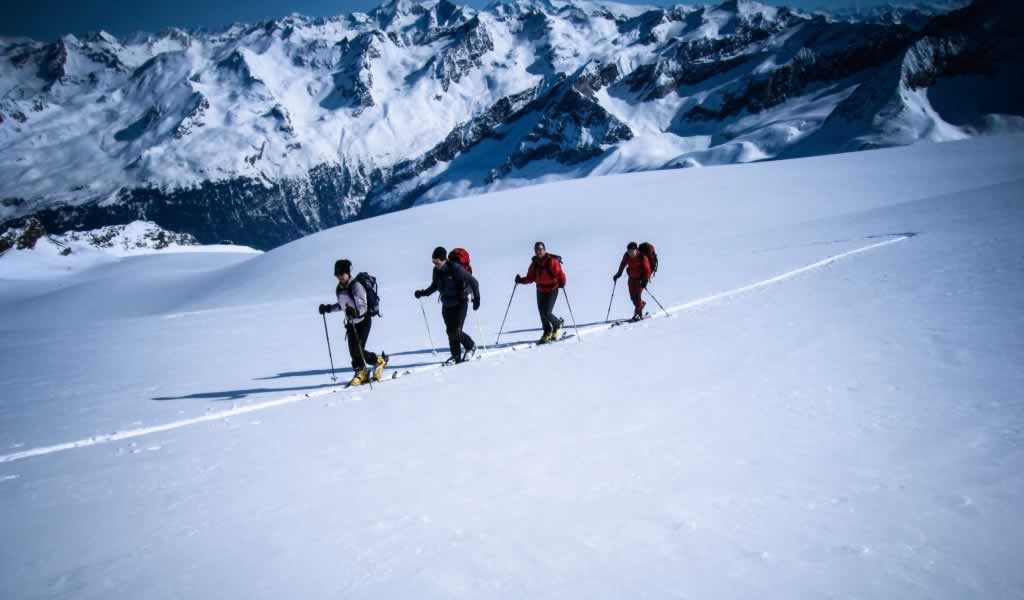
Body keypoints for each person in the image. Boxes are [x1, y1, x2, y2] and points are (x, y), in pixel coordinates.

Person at [318, 259, 387, 386]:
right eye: (337, 274)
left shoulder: (356, 286)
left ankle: (373, 364)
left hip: (363, 321)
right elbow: (341, 305)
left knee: (358, 349)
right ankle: (364, 370)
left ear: (348, 273)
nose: (339, 276)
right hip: (351, 322)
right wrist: (328, 308)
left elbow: (363, 307)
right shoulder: (339, 288)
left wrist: (354, 312)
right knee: (353, 351)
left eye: (341, 273)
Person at [414, 246, 481, 364]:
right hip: (446, 304)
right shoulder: (436, 271)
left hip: (460, 303)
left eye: (437, 262)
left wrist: (477, 298)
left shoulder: (455, 269)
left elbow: (474, 282)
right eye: (433, 262)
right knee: (450, 332)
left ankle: (470, 346)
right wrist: (423, 293)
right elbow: (434, 286)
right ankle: (456, 356)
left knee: (456, 331)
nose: (435, 265)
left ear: (444, 259)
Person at [515, 241, 567, 343]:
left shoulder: (552, 262)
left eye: (540, 249)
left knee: (547, 312)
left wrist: (562, 283)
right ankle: (547, 331)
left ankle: (557, 325)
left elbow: (561, 274)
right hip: (540, 290)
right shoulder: (534, 264)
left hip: (552, 289)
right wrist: (520, 280)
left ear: (544, 250)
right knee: (541, 312)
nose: (538, 251)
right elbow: (530, 278)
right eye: (536, 250)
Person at [613, 241, 652, 321]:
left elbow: (647, 270)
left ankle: (638, 313)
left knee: (637, 296)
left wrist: (644, 281)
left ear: (636, 250)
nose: (630, 253)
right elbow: (623, 264)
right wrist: (618, 274)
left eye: (631, 251)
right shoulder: (627, 256)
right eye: (629, 251)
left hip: (641, 279)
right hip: (631, 278)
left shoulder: (642, 257)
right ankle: (641, 305)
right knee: (632, 297)